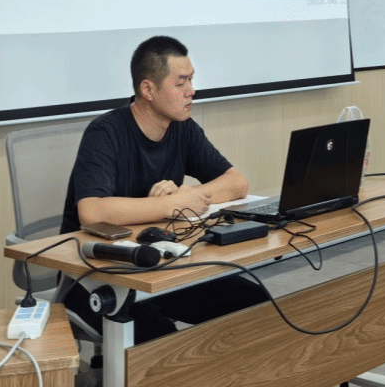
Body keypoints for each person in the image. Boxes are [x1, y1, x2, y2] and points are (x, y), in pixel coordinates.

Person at [60, 35, 269, 341]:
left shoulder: (182, 128)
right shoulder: (105, 133)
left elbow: (237, 183)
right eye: (181, 83)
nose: (191, 91)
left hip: (161, 267)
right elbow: (92, 212)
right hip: (97, 275)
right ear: (148, 90)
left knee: (254, 303)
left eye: (191, 80)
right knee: (160, 338)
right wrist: (169, 205)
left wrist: (188, 197)